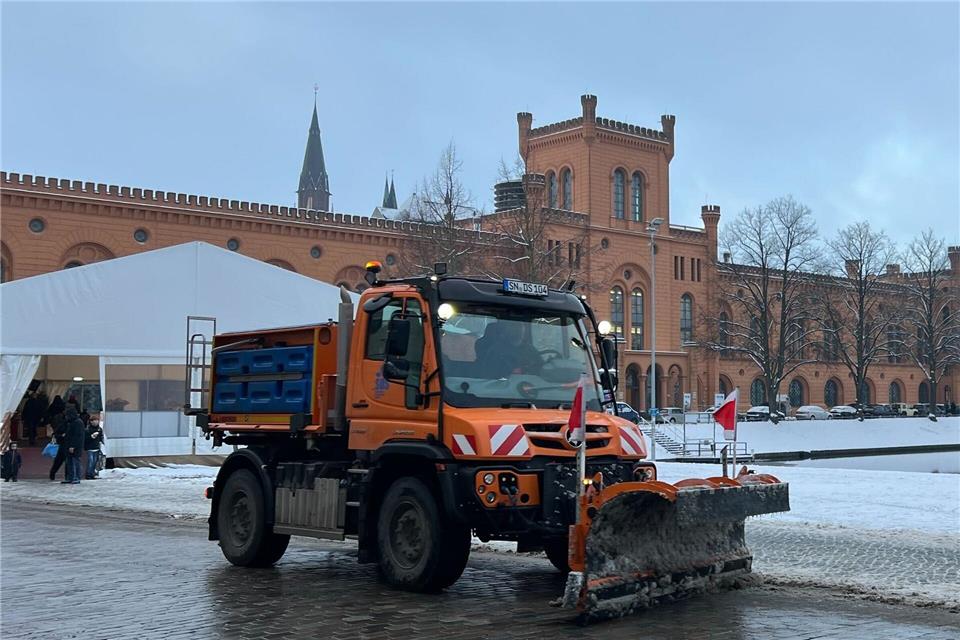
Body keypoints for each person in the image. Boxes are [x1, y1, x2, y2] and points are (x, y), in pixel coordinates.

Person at [475, 320, 542, 379]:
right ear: (505, 330)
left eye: (520, 326)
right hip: (503, 390)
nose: (517, 328)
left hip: (528, 388)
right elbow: (489, 377)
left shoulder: (530, 349)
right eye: (513, 325)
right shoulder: (496, 350)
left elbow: (541, 368)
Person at [62, 406, 85, 484]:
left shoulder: (77, 422)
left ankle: (76, 477)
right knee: (70, 462)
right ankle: (71, 477)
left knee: (75, 462)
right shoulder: (72, 422)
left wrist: (73, 446)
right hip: (70, 445)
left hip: (74, 447)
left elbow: (77, 436)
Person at [84, 414, 104, 480]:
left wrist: (101, 441)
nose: (95, 422)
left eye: (96, 420)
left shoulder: (99, 429)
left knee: (95, 462)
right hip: (89, 448)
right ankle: (88, 474)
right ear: (91, 421)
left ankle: (92, 474)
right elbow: (85, 439)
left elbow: (101, 437)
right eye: (93, 420)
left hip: (96, 448)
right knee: (91, 461)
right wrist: (91, 436)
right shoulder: (87, 429)